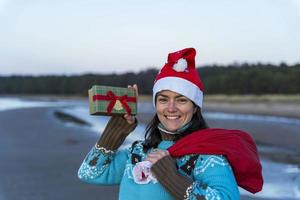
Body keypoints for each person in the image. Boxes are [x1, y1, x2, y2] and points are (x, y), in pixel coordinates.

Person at [78, 48, 263, 200]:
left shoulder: (207, 157)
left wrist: (170, 177)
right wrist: (118, 129)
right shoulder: (137, 152)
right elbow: (89, 172)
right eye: (163, 99)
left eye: (181, 100)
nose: (171, 108)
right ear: (156, 104)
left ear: (195, 107)